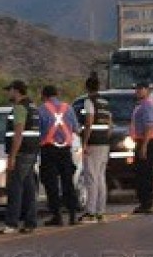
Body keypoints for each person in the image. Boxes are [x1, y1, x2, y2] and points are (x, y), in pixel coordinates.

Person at [0, 80, 41, 234]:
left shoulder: (20, 108)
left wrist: (12, 156)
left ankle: (11, 223)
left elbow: (18, 134)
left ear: (16, 91)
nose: (8, 93)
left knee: (15, 187)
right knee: (28, 188)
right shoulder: (32, 107)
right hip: (32, 150)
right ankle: (30, 222)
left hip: (21, 152)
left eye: (9, 90)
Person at [37, 84, 80, 226]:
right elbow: (75, 128)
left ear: (44, 95)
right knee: (68, 182)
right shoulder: (68, 108)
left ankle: (57, 215)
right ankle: (73, 214)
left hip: (49, 150)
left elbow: (39, 130)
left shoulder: (42, 109)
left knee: (51, 183)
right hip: (65, 150)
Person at [78, 72, 112, 224]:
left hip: (93, 143)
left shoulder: (89, 102)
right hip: (104, 142)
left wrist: (84, 142)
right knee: (100, 177)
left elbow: (89, 122)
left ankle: (90, 212)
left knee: (91, 178)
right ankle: (101, 211)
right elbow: (110, 123)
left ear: (87, 87)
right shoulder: (105, 103)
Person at [131, 81, 153, 215]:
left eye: (141, 89)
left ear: (147, 90)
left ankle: (147, 204)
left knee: (146, 173)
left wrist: (144, 146)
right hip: (141, 141)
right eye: (137, 88)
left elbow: (150, 126)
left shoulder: (148, 104)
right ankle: (143, 203)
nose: (138, 91)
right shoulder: (141, 104)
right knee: (141, 173)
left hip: (148, 141)